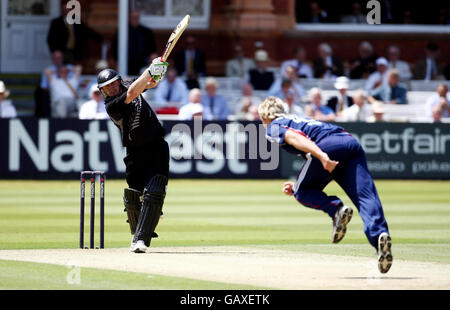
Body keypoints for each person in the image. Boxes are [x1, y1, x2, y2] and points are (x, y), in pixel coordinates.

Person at [258, 96, 393, 274]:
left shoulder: (273, 126)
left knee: (302, 191)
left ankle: (336, 209)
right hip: (349, 142)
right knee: (365, 196)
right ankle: (379, 238)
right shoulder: (300, 119)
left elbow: (295, 138)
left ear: (264, 117)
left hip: (327, 147)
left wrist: (321, 156)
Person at [97, 56, 169, 253]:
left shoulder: (127, 84)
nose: (111, 89)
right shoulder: (113, 106)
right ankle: (148, 216)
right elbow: (133, 91)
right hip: (135, 153)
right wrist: (149, 70)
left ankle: (141, 240)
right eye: (107, 88)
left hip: (156, 146)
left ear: (119, 81)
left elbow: (149, 84)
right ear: (103, 92)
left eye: (113, 84)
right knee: (133, 197)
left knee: (155, 190)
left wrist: (156, 74)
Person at [111, 10, 157, 76]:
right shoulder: (122, 31)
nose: (135, 19)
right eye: (133, 17)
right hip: (126, 63)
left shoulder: (146, 32)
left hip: (143, 63)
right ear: (129, 18)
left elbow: (153, 50)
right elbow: (115, 48)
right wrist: (117, 61)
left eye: (136, 17)